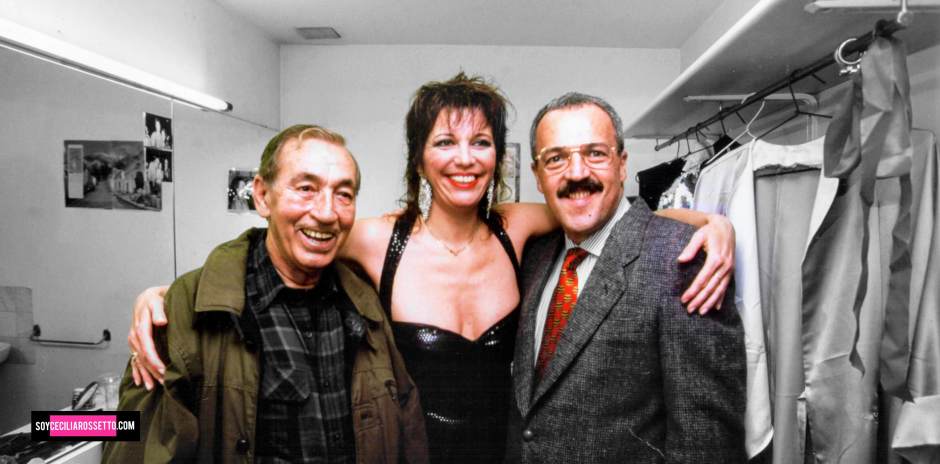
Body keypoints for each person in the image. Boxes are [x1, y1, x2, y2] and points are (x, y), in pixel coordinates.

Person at [125, 74, 736, 462]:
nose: (464, 159)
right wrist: (168, 296)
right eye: (444, 142)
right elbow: (282, 244)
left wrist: (711, 224)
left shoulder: (519, 228)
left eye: (481, 143)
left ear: (499, 158)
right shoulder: (374, 240)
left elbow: (597, 208)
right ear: (419, 158)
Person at [103, 125, 428, 463]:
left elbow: (407, 424)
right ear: (261, 195)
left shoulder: (364, 307)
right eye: (306, 189)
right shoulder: (187, 310)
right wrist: (65, 425)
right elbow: (127, 433)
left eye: (344, 194)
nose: (327, 212)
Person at [506, 92, 746, 462]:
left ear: (621, 165)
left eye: (595, 154)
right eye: (556, 158)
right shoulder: (535, 256)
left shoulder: (683, 259)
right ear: (538, 177)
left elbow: (706, 439)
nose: (577, 173)